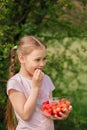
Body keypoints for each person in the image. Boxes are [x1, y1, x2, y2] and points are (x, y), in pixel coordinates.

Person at [6, 35, 72, 130]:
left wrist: (60, 112)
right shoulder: (15, 83)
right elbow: (25, 115)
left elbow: (47, 112)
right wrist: (35, 87)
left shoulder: (46, 79)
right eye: (37, 60)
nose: (42, 64)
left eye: (44, 59)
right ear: (21, 59)